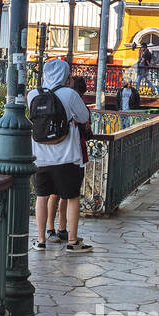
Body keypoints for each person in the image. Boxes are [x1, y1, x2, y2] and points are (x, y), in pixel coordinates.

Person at [29, 59, 93, 252]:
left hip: (40, 157)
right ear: (66, 75)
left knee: (42, 197)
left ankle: (41, 240)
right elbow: (84, 117)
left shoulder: (33, 94)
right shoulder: (69, 94)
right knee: (72, 197)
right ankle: (72, 241)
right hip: (67, 157)